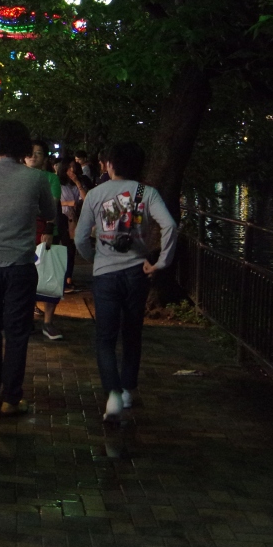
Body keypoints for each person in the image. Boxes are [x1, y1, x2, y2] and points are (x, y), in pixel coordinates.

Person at [74, 142, 178, 421]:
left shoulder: (95, 194)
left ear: (109, 165)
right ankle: (128, 388)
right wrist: (161, 262)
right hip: (137, 273)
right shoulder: (147, 193)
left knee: (105, 337)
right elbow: (169, 225)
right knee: (132, 333)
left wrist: (95, 257)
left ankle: (113, 394)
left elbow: (80, 237)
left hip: (105, 274)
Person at [0, 120, 57, 414]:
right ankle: (11, 398)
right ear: (23, 146)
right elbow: (50, 212)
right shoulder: (36, 178)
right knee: (17, 331)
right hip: (20, 262)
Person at [25, 140, 65, 340]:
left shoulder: (51, 179)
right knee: (26, 276)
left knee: (50, 274)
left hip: (45, 233)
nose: (33, 156)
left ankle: (48, 321)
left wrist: (49, 228)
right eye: (30, 153)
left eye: (38, 153)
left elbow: (53, 206)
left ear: (45, 158)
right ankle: (28, 317)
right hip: (25, 233)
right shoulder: (19, 176)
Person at [58, 159, 87, 292]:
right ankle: (62, 279)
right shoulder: (58, 185)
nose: (72, 171)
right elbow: (55, 202)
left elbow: (85, 199)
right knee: (63, 249)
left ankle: (68, 278)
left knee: (71, 249)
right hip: (61, 219)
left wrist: (77, 182)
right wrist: (68, 204)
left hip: (72, 220)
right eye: (70, 168)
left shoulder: (74, 186)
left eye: (74, 168)